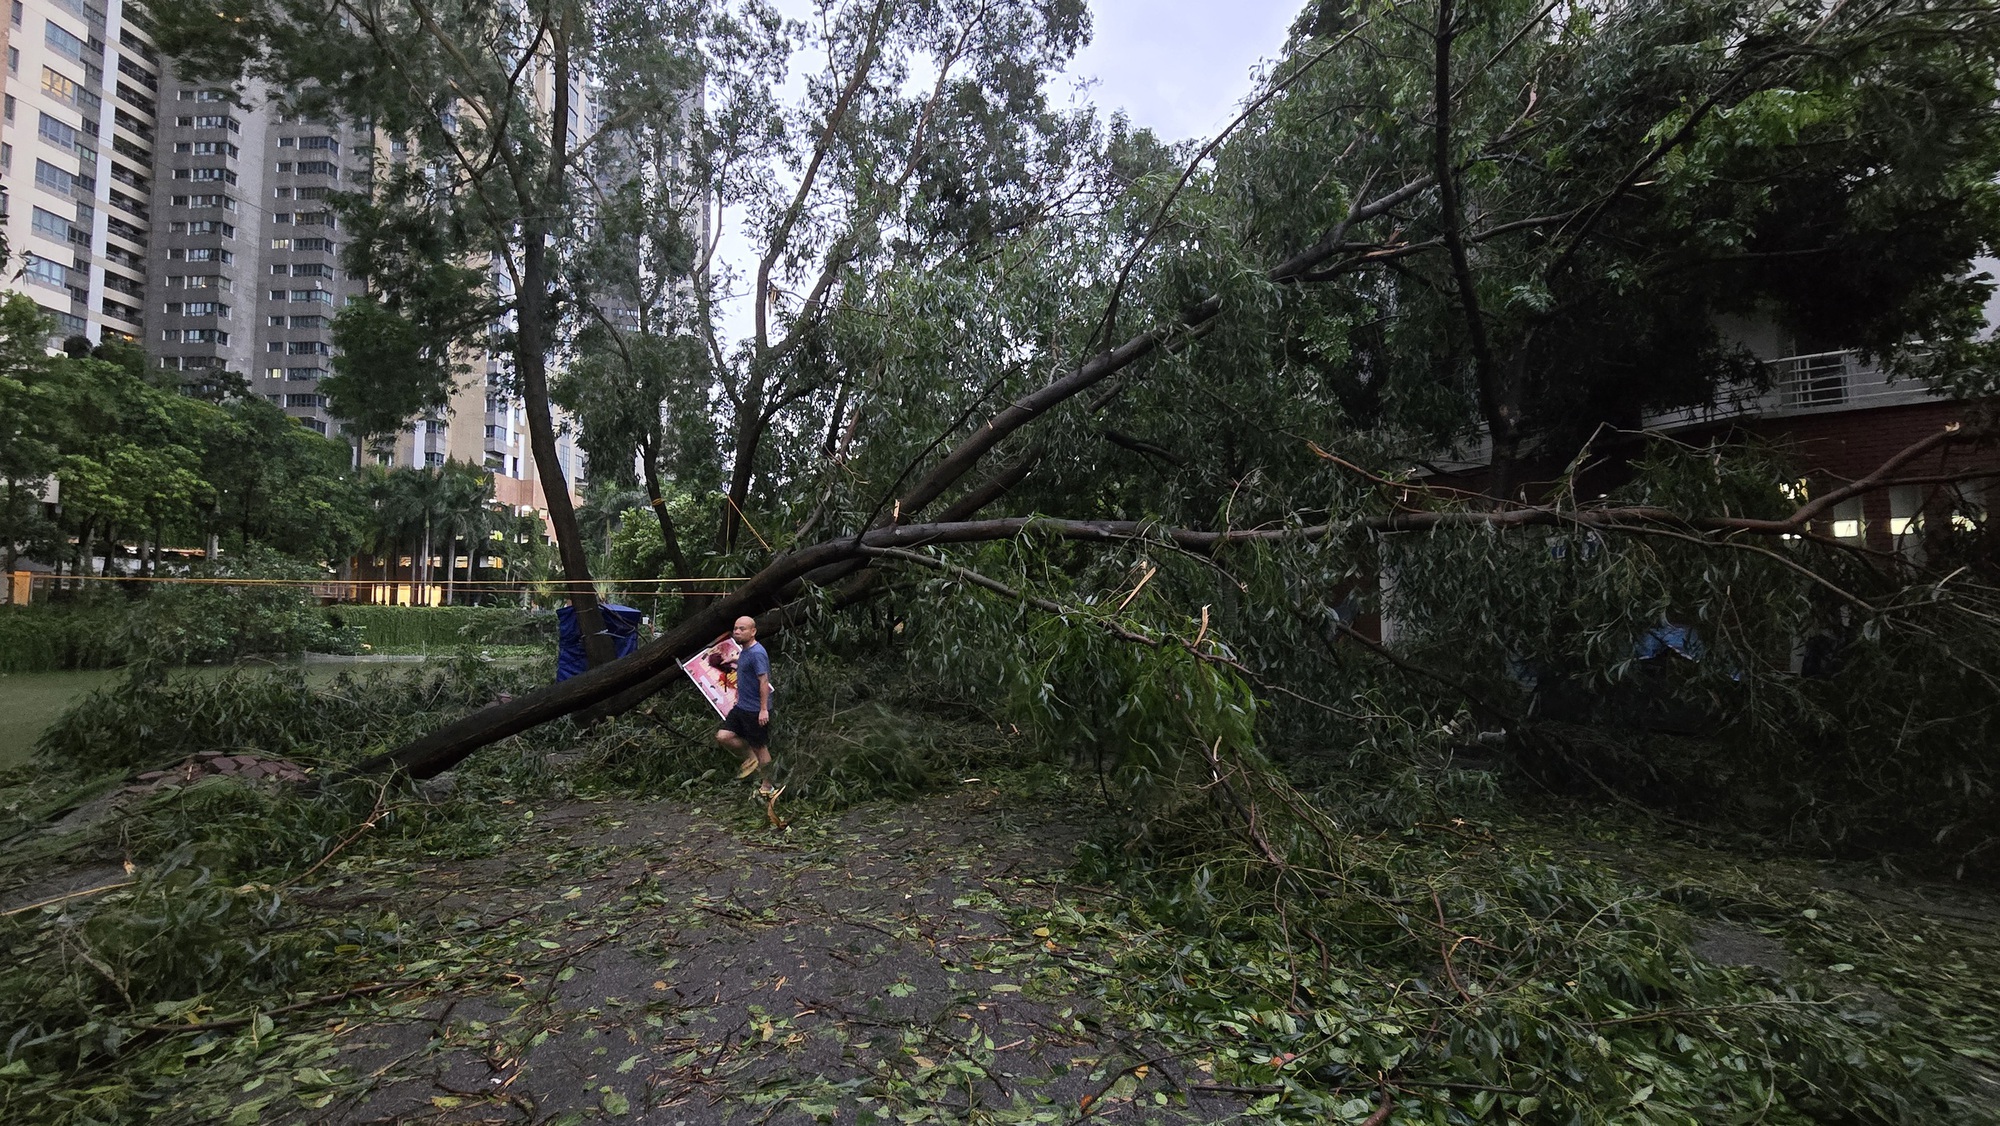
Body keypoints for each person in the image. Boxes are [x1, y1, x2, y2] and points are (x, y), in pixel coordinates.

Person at [714, 615, 775, 793]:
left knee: (760, 747)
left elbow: (764, 681)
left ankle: (768, 786)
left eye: (742, 629)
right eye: (736, 629)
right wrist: (733, 662)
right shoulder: (746, 650)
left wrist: (763, 710)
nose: (737, 632)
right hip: (742, 706)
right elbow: (747, 666)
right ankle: (751, 756)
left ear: (753, 631)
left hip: (755, 710)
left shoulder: (757, 653)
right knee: (723, 736)